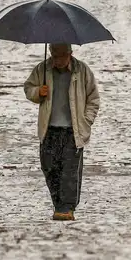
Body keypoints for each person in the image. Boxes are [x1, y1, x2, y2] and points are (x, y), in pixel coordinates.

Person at [23, 43, 100, 222]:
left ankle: (67, 207)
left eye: (61, 56)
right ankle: (58, 203)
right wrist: (38, 92)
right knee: (49, 166)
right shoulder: (42, 69)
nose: (57, 60)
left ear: (70, 54)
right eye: (54, 55)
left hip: (73, 130)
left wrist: (86, 121)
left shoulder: (82, 71)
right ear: (50, 53)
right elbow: (28, 88)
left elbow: (93, 99)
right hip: (49, 129)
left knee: (70, 170)